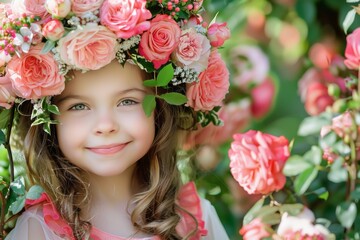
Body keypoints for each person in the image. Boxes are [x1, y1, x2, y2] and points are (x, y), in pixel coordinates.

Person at [1, 0, 231, 239]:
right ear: (46, 120)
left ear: (160, 108)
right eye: (79, 106)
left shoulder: (194, 220)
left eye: (127, 102)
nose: (106, 126)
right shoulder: (38, 231)